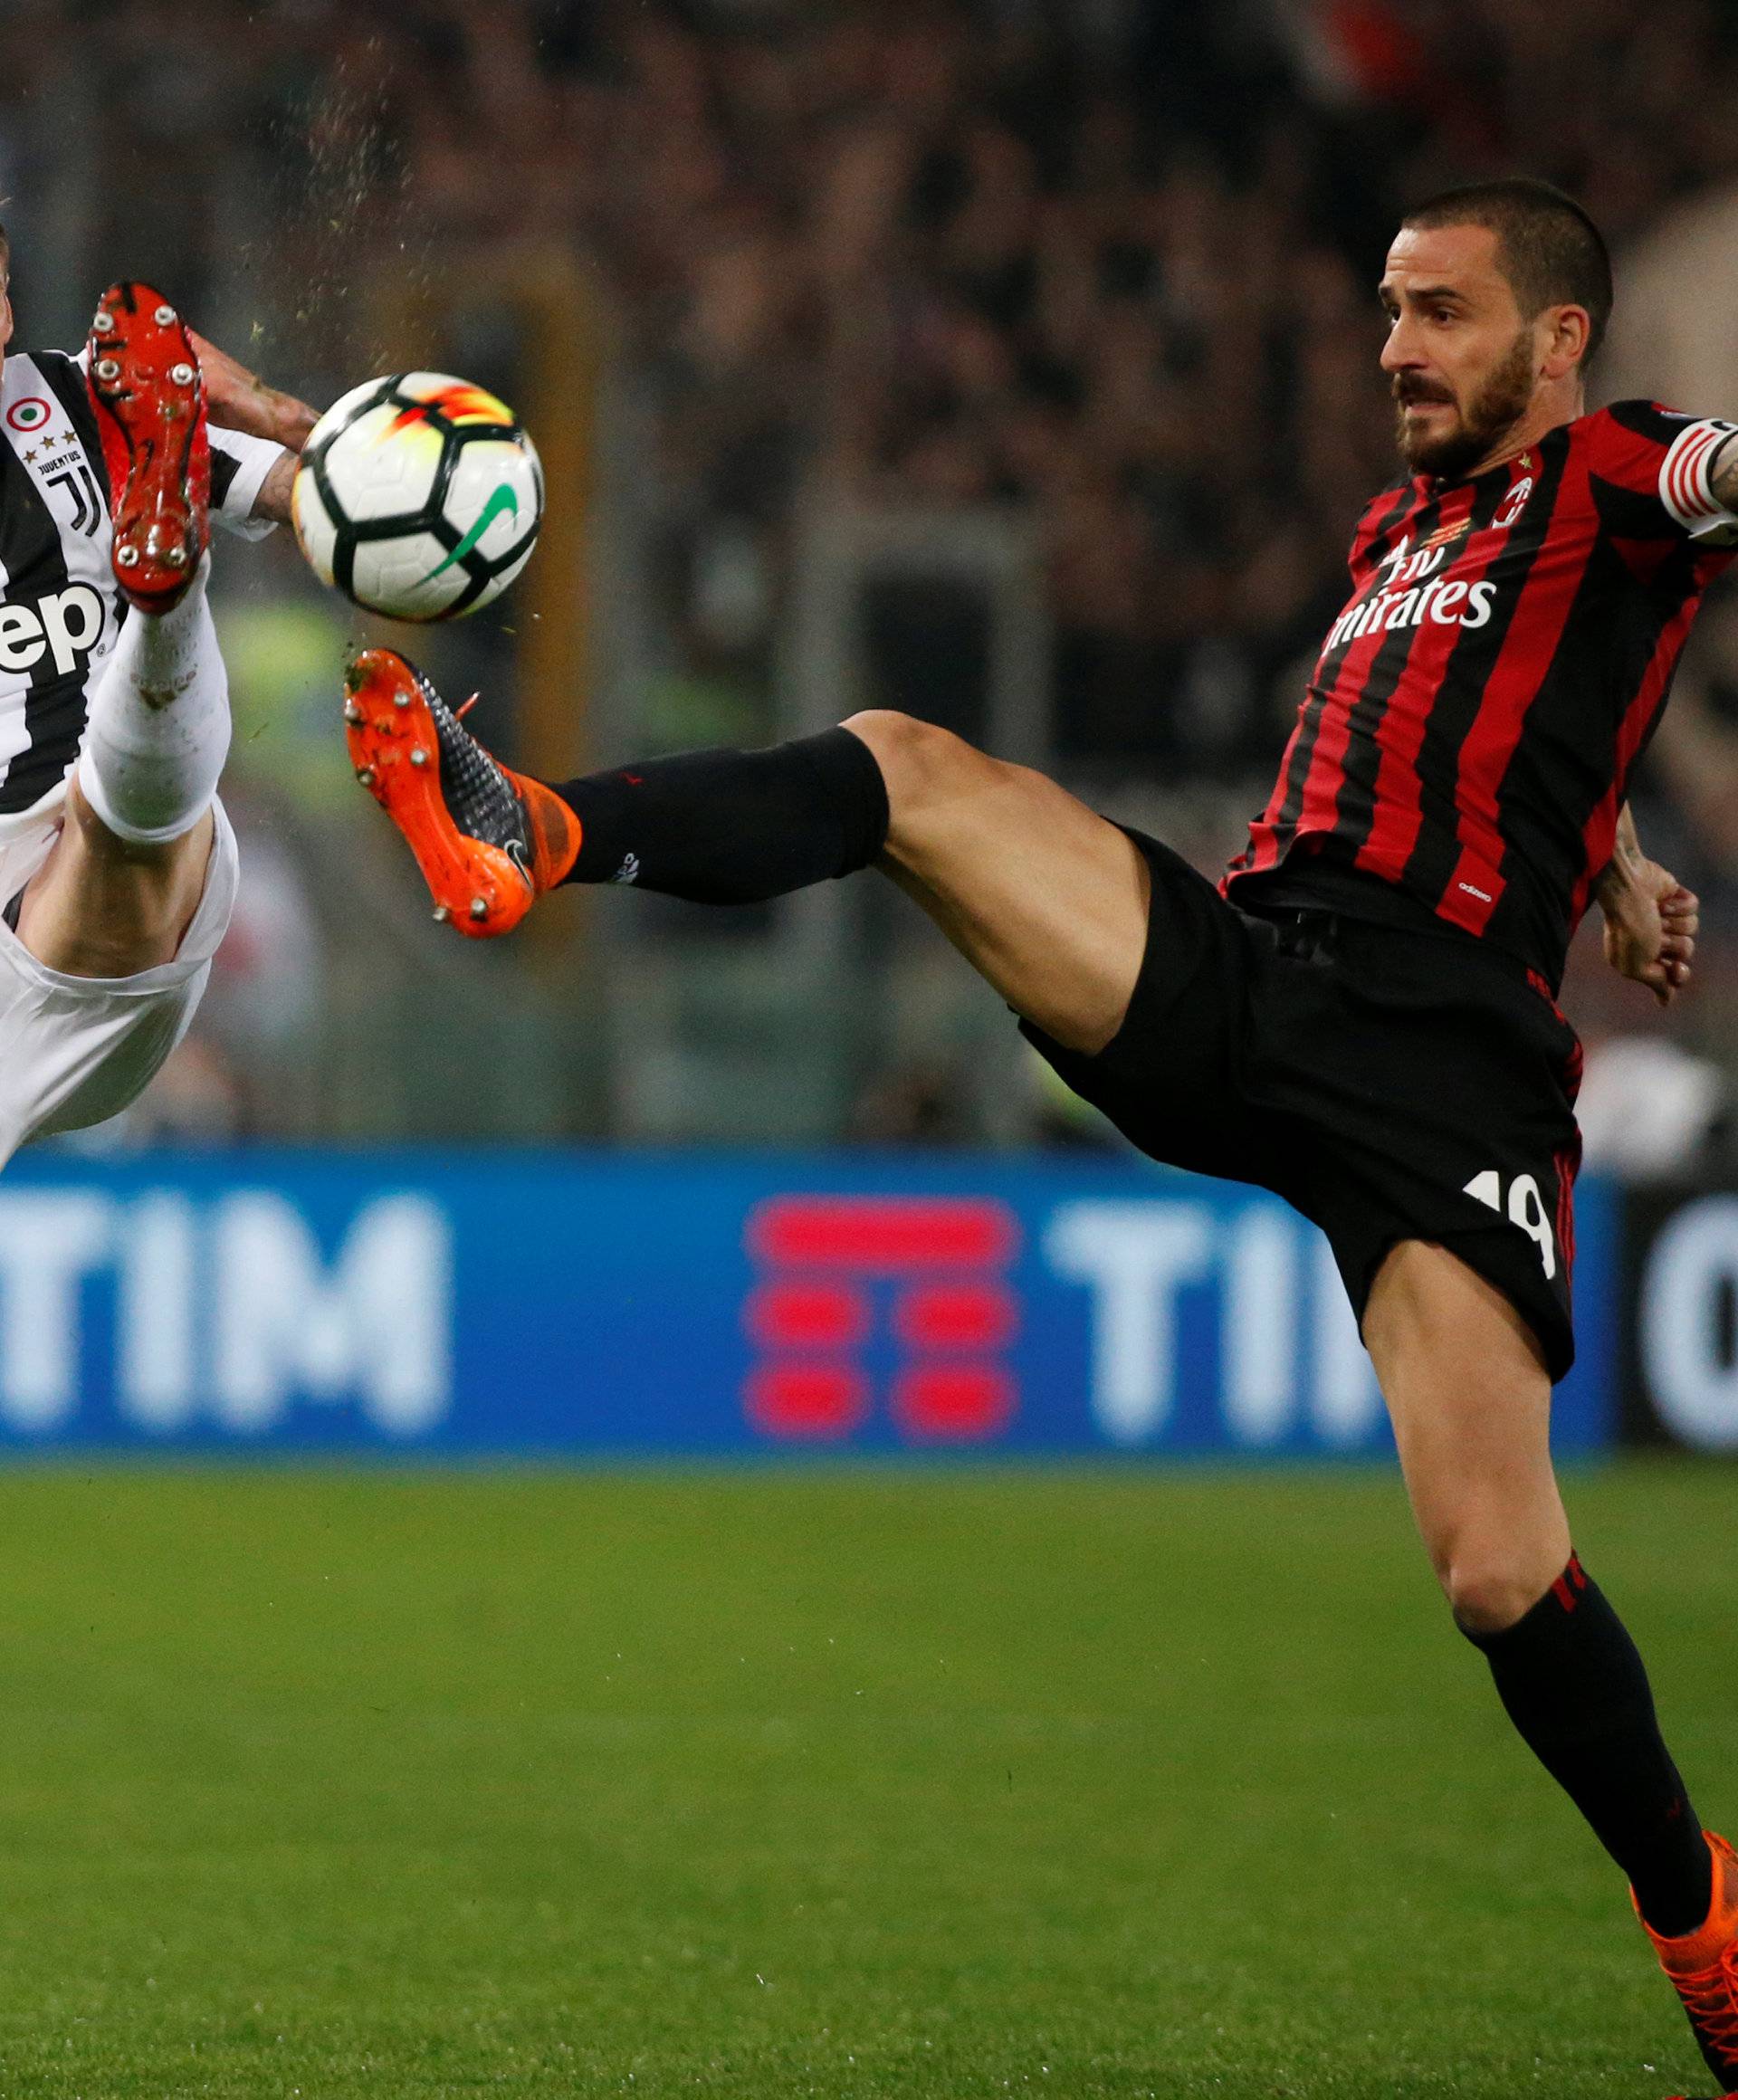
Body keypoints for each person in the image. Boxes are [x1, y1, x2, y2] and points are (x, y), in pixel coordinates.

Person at [346, 178, 1738, 2096]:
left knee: (1499, 1568)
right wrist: (1623, 860)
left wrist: (1611, 872)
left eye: (1443, 312)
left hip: (1443, 1070)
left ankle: (1701, 1918)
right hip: (1250, 978)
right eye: (1391, 309)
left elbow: (1694, 515)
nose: (1396, 346)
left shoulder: (1629, 470)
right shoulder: (1402, 522)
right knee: (906, 768)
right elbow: (1531, 713)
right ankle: (537, 835)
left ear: (1561, 340)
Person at [0, 237, 315, 1166]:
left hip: (86, 897)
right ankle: (165, 598)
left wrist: (292, 419)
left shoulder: (85, 402)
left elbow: (341, 505)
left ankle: (165, 594)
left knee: (117, 824)